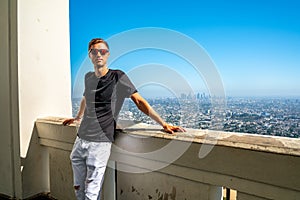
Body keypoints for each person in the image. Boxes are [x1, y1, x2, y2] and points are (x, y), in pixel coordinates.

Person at [63, 38, 185, 200]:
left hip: (99, 142)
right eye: (94, 51)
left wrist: (163, 123)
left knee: (91, 193)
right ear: (90, 55)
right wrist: (78, 117)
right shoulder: (88, 77)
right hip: (80, 139)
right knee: (78, 188)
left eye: (103, 51)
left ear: (108, 55)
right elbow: (86, 97)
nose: (99, 54)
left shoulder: (117, 76)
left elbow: (139, 101)